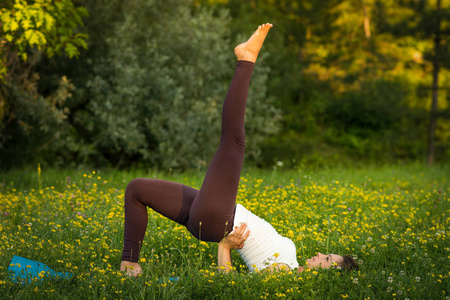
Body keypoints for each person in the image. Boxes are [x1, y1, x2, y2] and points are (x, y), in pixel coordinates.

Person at [120, 23, 358, 276]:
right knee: (136, 189)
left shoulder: (285, 273)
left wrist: (224, 246)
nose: (322, 253)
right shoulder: (292, 263)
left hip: (219, 220)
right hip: (214, 216)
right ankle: (129, 264)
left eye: (328, 258)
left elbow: (231, 282)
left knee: (233, 140)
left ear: (328, 272)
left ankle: (247, 59)